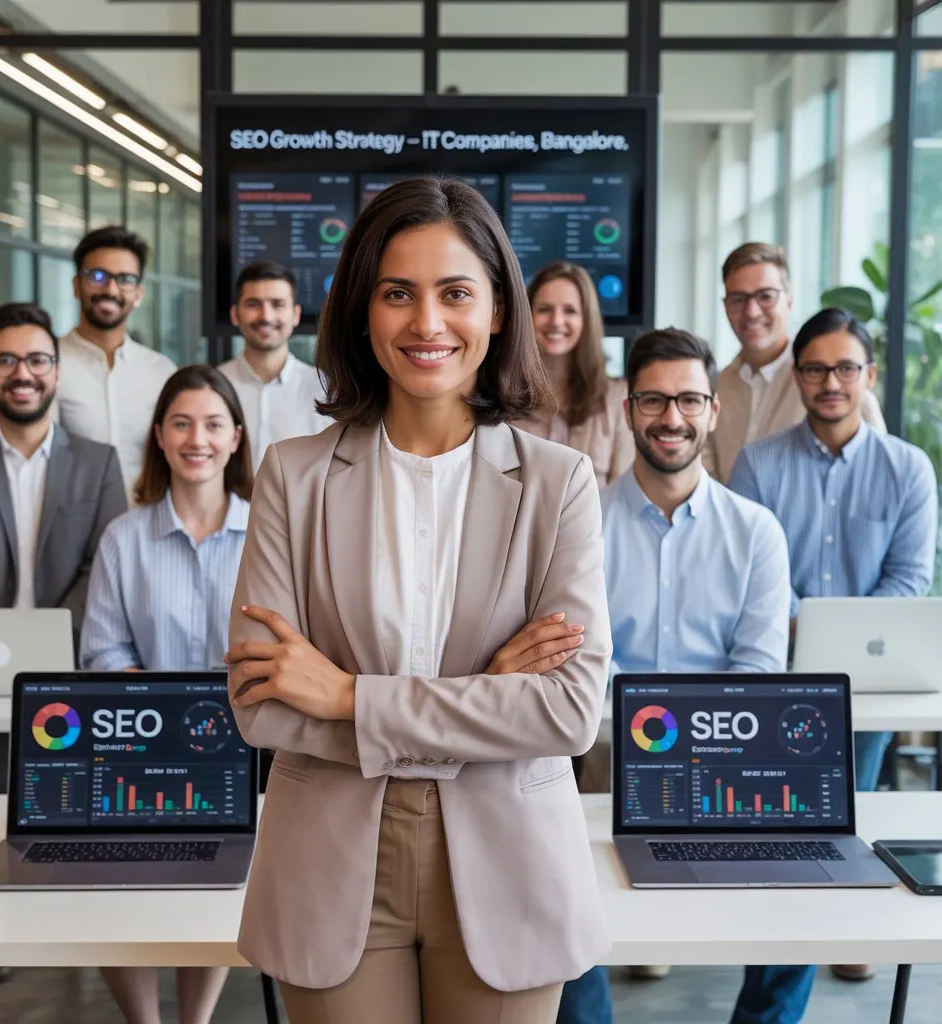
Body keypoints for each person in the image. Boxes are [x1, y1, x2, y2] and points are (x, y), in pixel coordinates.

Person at [224, 178, 612, 1024]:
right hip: (330, 863)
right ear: (362, 310)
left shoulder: (559, 484)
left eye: (455, 293)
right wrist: (489, 694)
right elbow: (262, 707)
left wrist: (348, 696)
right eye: (397, 293)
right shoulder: (293, 475)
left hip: (510, 860)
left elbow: (569, 712)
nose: (427, 323)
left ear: (499, 312)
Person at [558, 327, 809, 1024]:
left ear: (714, 411)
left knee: (805, 902)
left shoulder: (756, 530)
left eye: (690, 400)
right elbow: (580, 662)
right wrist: (648, 731)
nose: (673, 418)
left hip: (731, 751)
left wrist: (692, 735)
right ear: (627, 409)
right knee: (559, 893)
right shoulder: (581, 526)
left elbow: (757, 669)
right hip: (607, 752)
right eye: (656, 401)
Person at [729, 308, 937, 980]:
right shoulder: (757, 464)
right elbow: (748, 570)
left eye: (846, 368)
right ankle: (789, 945)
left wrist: (838, 636)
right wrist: (804, 628)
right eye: (816, 368)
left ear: (868, 375)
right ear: (798, 376)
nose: (831, 382)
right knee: (786, 832)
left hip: (869, 684)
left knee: (850, 813)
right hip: (778, 673)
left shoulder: (908, 470)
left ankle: (843, 929)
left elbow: (909, 578)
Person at [80, 364, 253, 1024]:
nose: (197, 438)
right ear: (159, 435)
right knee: (114, 887)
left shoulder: (269, 537)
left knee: (212, 888)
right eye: (181, 423)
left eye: (213, 424)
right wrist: (162, 713)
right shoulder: (124, 538)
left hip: (240, 746)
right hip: (139, 743)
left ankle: (194, 1019)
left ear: (235, 438)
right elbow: (102, 651)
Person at [0, 302, 126, 794]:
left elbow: (103, 568)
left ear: (56, 371)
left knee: (79, 811)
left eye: (37, 359)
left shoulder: (99, 463)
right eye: (4, 361)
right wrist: (6, 650)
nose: (22, 374)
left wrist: (47, 647)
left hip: (75, 675)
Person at [704, 242, 885, 483]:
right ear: (725, 307)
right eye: (738, 299)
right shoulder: (713, 389)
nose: (751, 311)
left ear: (789, 302)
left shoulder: (835, 387)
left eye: (766, 296)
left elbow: (877, 473)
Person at [53, 225, 177, 503]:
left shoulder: (161, 371)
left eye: (124, 279)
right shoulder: (48, 365)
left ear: (138, 294)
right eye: (97, 276)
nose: (110, 289)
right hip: (74, 534)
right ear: (76, 286)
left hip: (147, 531)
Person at [514, 260, 634, 489]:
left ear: (586, 320)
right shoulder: (502, 395)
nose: (556, 321)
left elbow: (622, 499)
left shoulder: (618, 399)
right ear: (527, 315)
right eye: (544, 309)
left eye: (570, 311)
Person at [217, 260, 332, 468]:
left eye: (277, 304)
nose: (266, 316)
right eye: (253, 304)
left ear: (295, 314)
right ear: (235, 314)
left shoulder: (325, 390)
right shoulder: (214, 387)